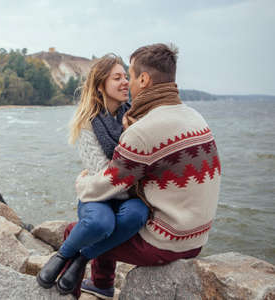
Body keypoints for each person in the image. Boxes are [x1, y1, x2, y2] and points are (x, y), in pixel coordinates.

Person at [64, 43, 222, 299]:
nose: (128, 83)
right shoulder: (196, 117)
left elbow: (111, 182)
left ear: (144, 79)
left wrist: (82, 184)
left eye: (130, 75)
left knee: (77, 233)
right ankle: (102, 284)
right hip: (198, 238)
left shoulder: (143, 129)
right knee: (113, 217)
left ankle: (74, 290)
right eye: (119, 77)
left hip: (168, 242)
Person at [36, 54, 150, 295]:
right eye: (116, 78)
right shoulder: (87, 123)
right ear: (100, 86)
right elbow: (105, 174)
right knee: (100, 223)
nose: (125, 83)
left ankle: (81, 259)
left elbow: (142, 164)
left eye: (124, 77)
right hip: (99, 194)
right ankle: (62, 255)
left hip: (126, 197)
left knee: (138, 214)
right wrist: (131, 174)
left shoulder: (136, 118)